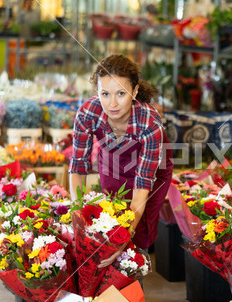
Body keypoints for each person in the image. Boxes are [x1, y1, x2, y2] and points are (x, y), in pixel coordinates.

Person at [69, 54, 173, 268]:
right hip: (113, 162)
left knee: (138, 230)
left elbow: (143, 182)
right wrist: (77, 213)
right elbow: (78, 165)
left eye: (121, 94)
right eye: (105, 93)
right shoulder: (87, 113)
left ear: (134, 92)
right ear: (97, 92)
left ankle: (135, 272)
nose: (112, 103)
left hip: (151, 170)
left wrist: (126, 235)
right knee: (110, 214)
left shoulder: (149, 123)